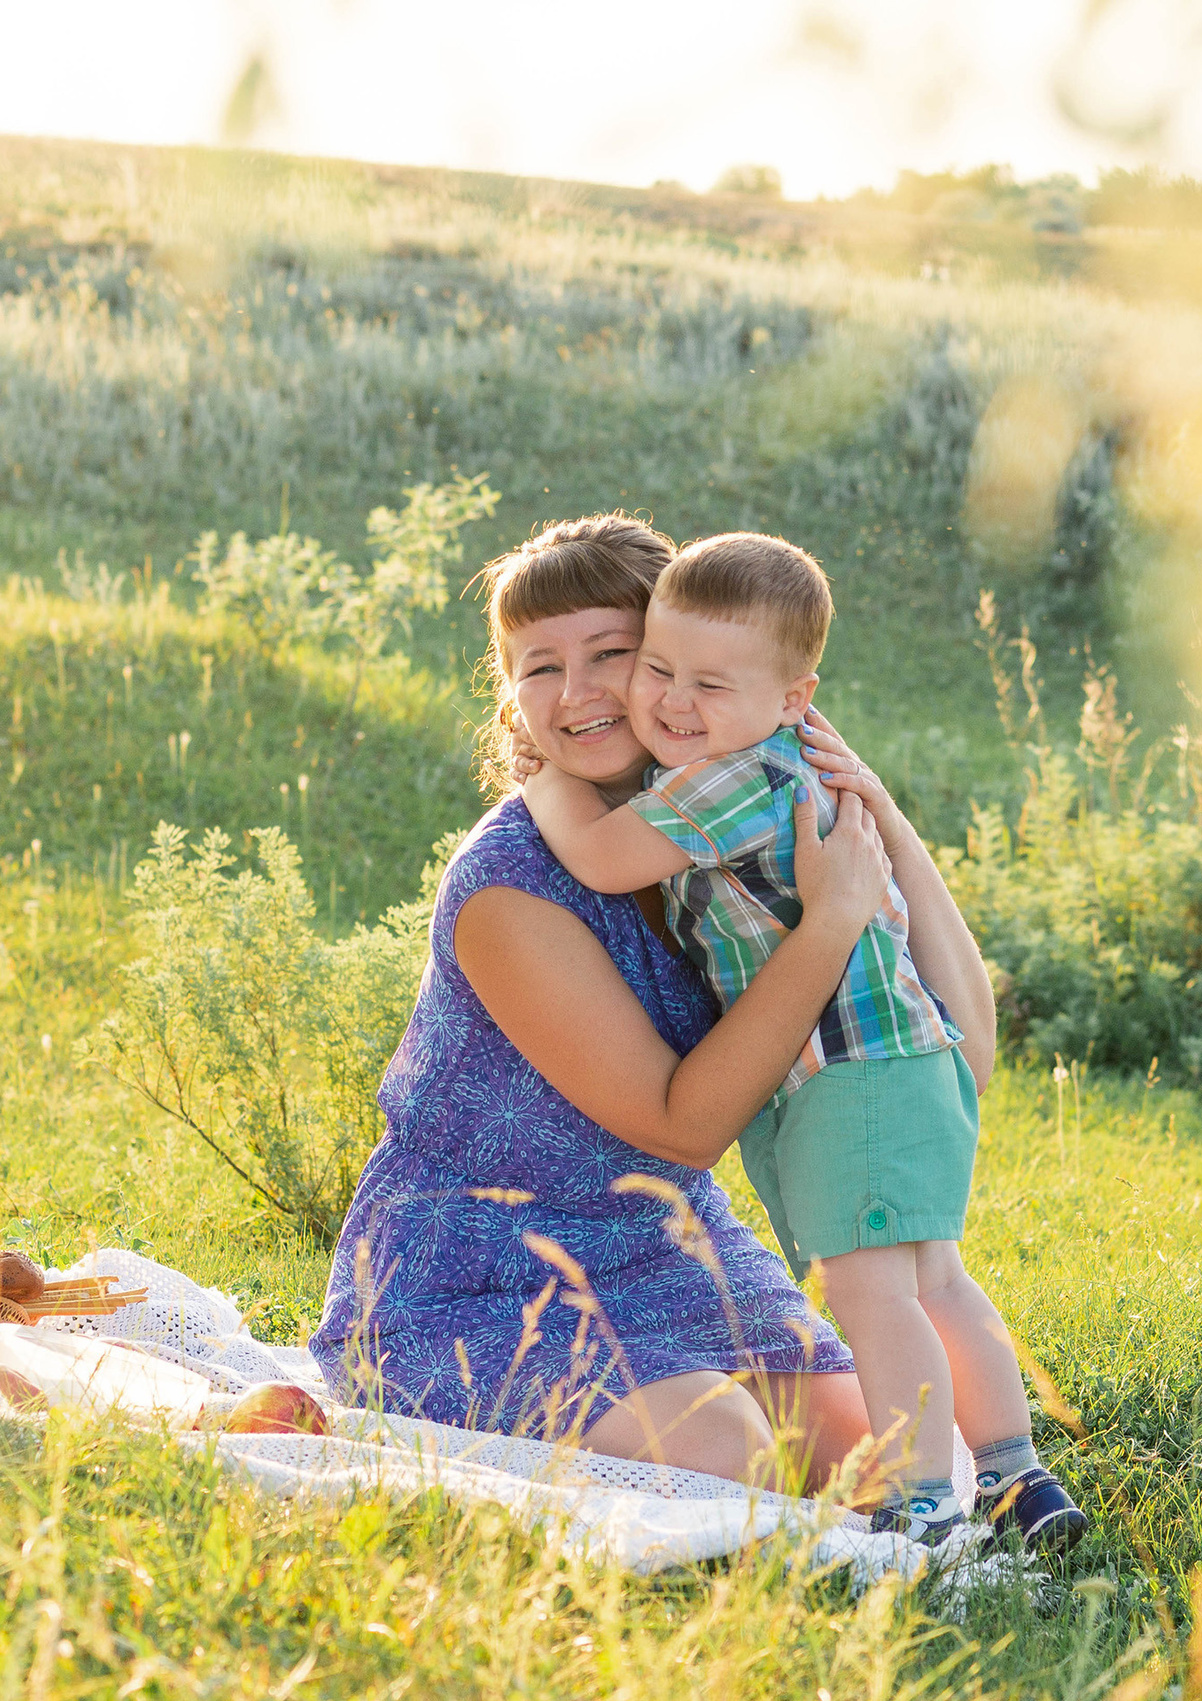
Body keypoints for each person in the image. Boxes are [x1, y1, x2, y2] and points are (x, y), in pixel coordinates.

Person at [520, 531, 1086, 1551]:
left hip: (845, 1072)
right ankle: (1014, 1472)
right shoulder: (781, 757)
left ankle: (919, 1495)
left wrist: (543, 776)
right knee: (932, 1280)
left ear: (794, 699)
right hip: (906, 1062)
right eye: (660, 669)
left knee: (868, 1292)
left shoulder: (731, 779)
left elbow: (606, 860)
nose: (674, 703)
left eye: (711, 684)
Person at [310, 514, 889, 1490]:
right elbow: (680, 1128)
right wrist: (828, 927)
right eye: (537, 667)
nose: (574, 694)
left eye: (611, 655)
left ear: (674, 665)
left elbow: (966, 1024)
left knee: (888, 1461)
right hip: (473, 1275)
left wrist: (869, 801)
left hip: (663, 1243)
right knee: (724, 1456)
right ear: (508, 697)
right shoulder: (508, 886)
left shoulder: (731, 835)